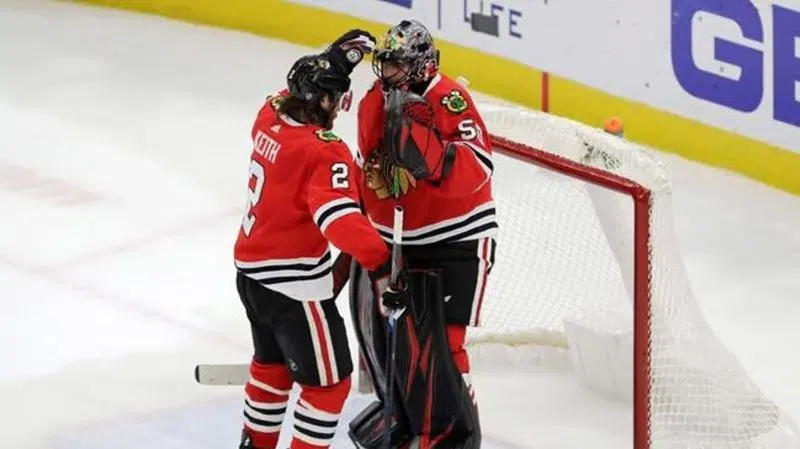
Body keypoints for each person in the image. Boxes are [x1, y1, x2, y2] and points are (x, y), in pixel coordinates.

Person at [232, 29, 395, 449]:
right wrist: (382, 264)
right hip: (294, 288)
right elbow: (338, 221)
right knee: (328, 387)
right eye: (335, 96)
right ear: (322, 101)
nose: (339, 105)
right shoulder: (325, 150)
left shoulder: (268, 118)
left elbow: (285, 94)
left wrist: (332, 63)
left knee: (271, 369)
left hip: (251, 278)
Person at [348, 19, 497, 449]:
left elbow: (480, 165)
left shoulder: (448, 99)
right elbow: (366, 165)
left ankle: (456, 437)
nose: (387, 72)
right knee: (398, 348)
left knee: (444, 350)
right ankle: (411, 422)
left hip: (455, 242)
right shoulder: (374, 101)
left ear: (419, 65)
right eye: (385, 63)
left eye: (396, 64)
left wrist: (434, 158)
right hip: (397, 242)